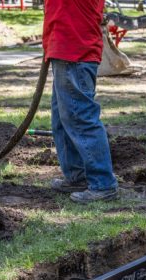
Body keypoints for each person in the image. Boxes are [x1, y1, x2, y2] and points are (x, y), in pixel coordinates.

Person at [43, 0, 119, 203]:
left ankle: (103, 183)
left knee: (80, 118)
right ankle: (77, 176)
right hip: (64, 49)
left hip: (75, 51)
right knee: (62, 120)